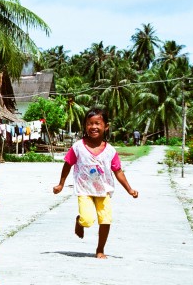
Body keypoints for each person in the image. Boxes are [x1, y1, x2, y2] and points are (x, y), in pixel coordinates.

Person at [53, 107, 139, 259]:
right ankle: (79, 221)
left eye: (97, 123)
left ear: (106, 126)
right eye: (89, 123)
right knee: (87, 220)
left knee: (105, 220)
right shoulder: (78, 147)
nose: (93, 127)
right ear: (85, 126)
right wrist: (61, 184)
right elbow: (67, 164)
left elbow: (118, 171)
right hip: (84, 189)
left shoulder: (110, 151)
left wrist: (129, 189)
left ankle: (100, 249)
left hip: (103, 190)